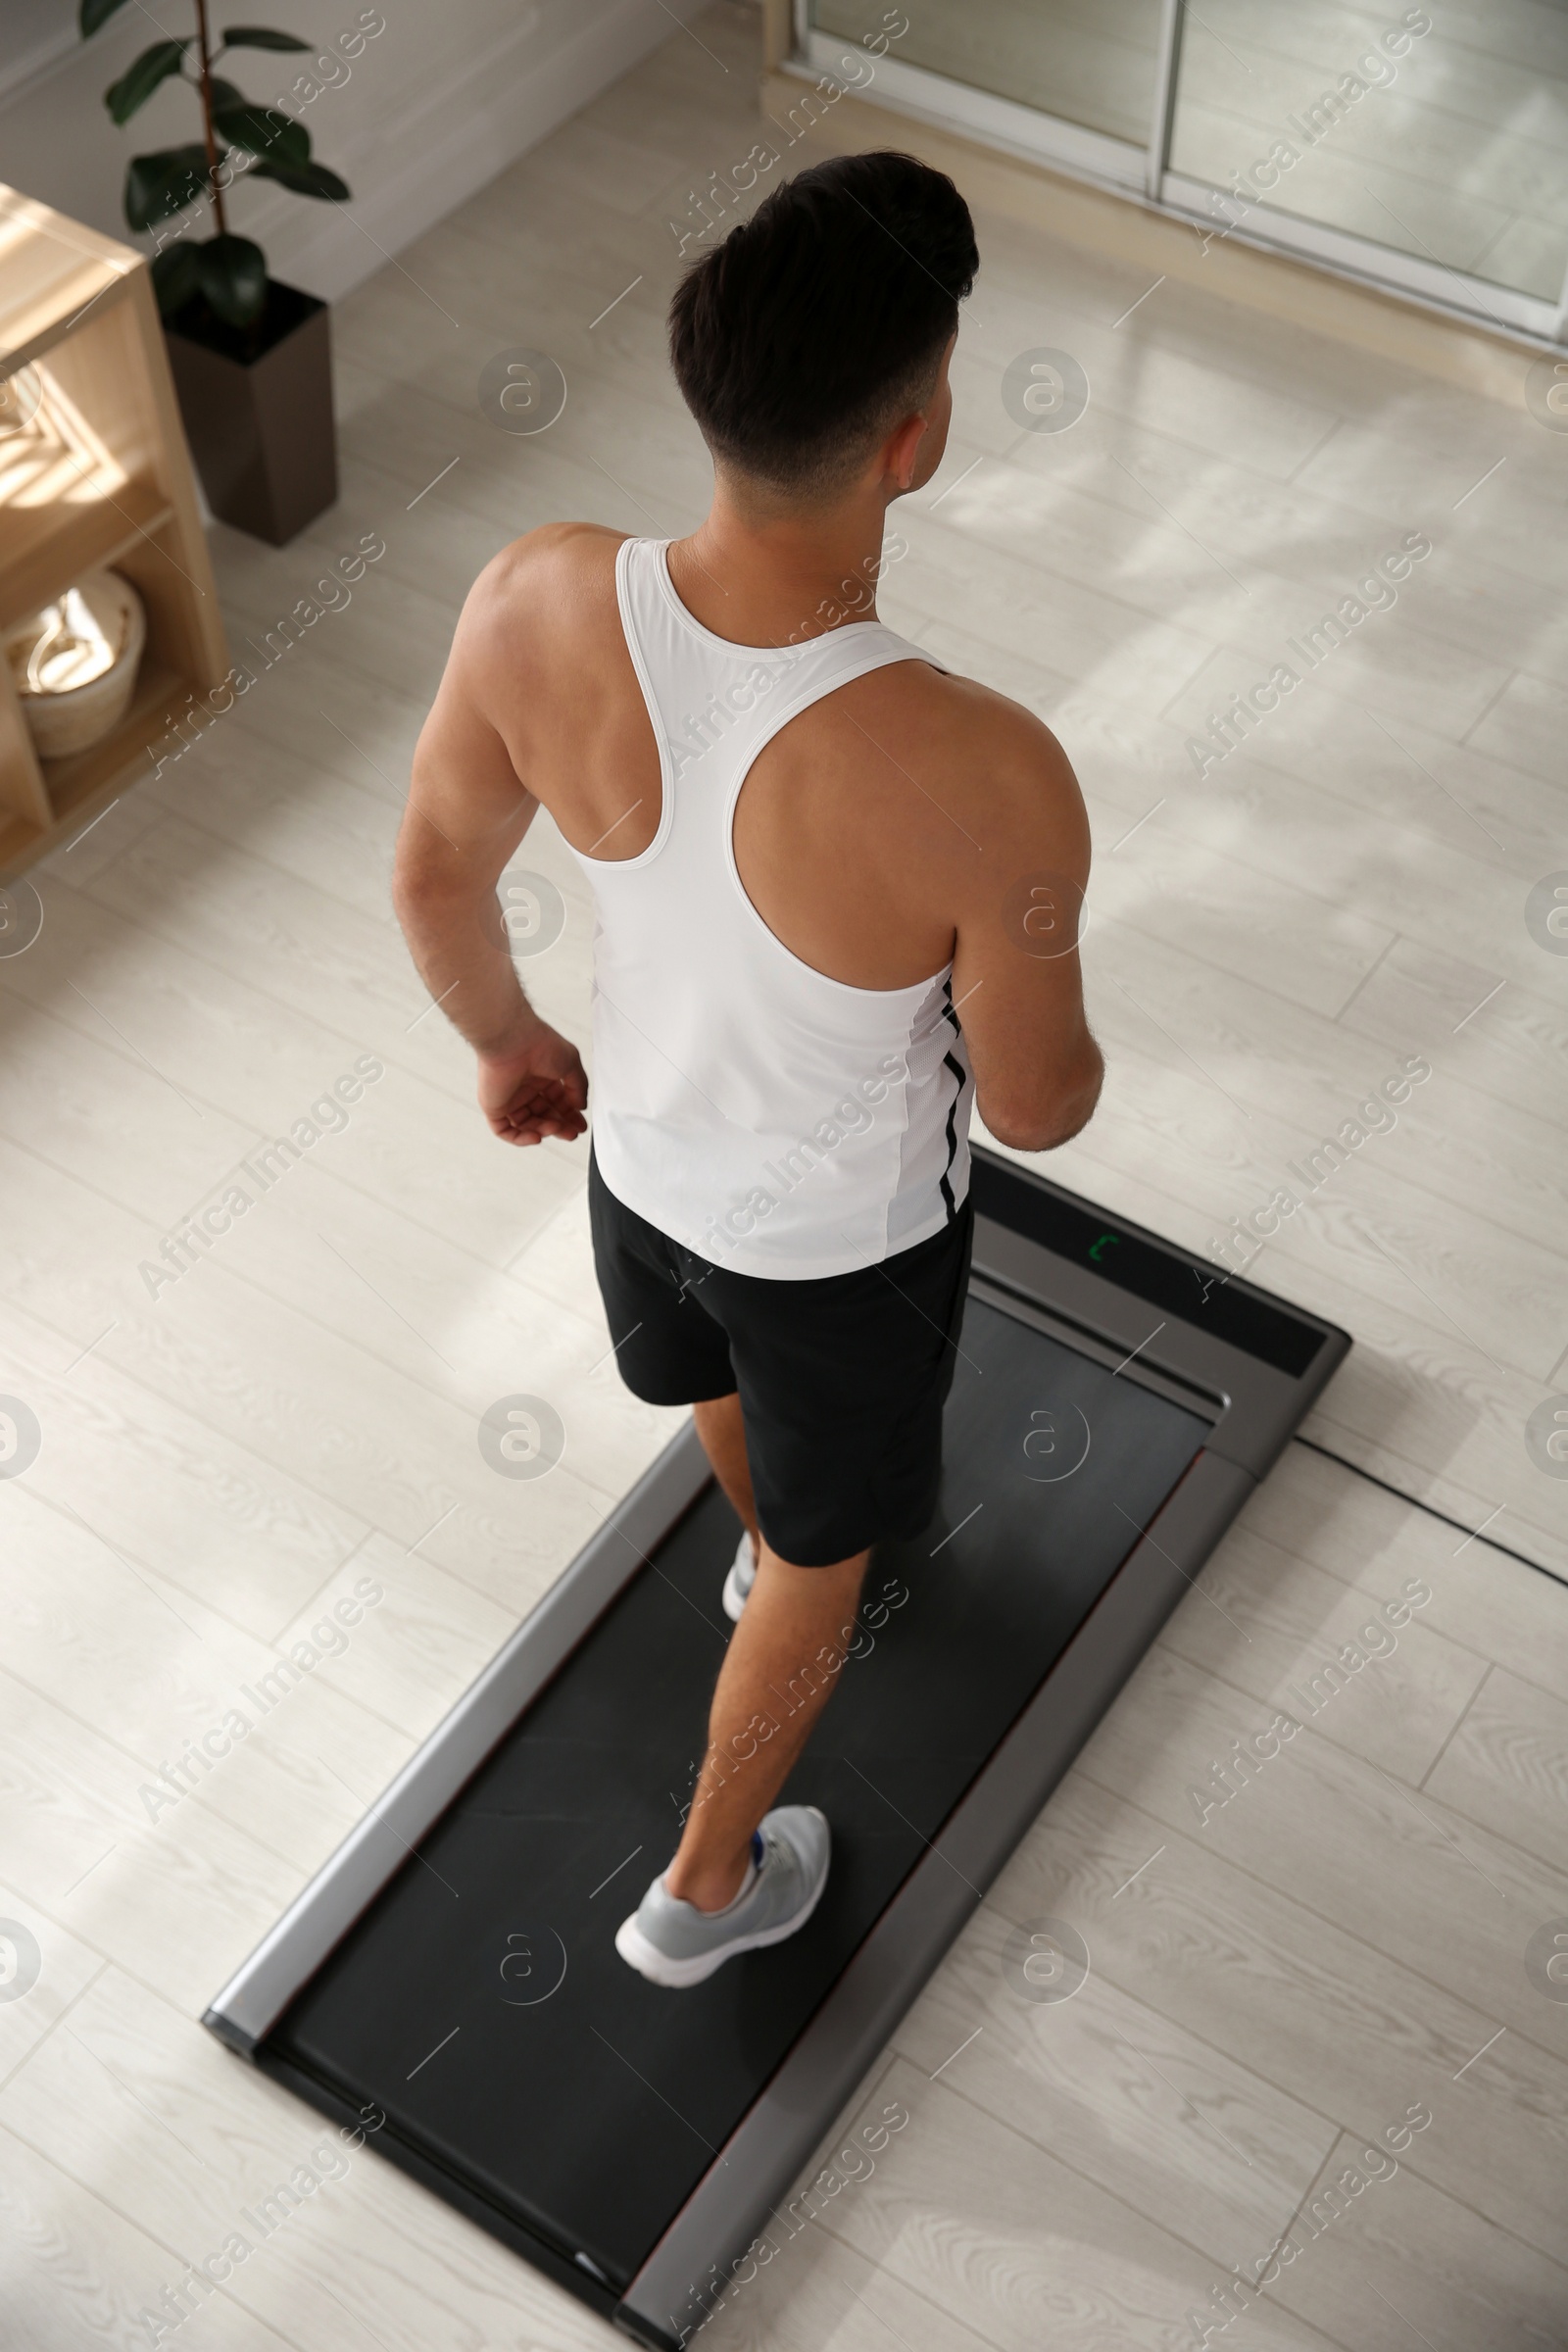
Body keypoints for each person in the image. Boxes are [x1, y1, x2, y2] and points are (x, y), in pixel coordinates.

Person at [392, 150, 1102, 1989]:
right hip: (846, 1255)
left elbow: (434, 871)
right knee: (826, 1566)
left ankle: (764, 1530)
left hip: (639, 1172)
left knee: (734, 1421)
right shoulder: (984, 768)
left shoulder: (533, 593)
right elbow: (1037, 1109)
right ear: (917, 434)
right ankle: (702, 1895)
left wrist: (505, 1041)